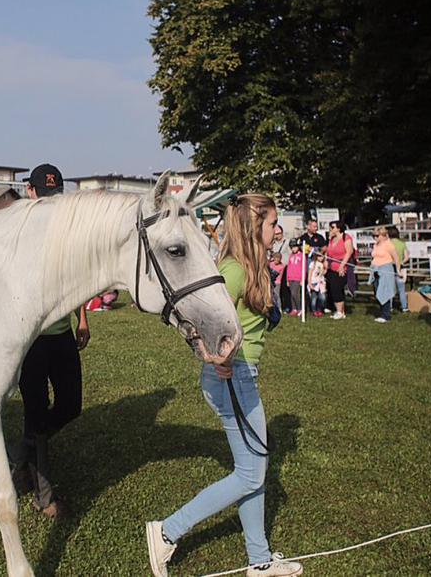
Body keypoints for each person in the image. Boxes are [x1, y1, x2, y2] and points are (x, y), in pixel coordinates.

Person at [146, 194, 303, 577]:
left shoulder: (254, 266)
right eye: (271, 224)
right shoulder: (233, 271)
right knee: (251, 472)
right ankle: (167, 531)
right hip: (233, 378)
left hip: (243, 377)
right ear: (254, 229)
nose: (277, 230)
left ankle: (259, 560)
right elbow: (201, 319)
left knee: (253, 468)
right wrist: (218, 361)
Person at [11, 163, 91, 519]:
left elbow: (75, 280)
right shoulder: (17, 233)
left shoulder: (65, 234)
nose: (49, 202)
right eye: (44, 195)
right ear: (30, 192)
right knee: (37, 410)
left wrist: (83, 318)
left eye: (54, 196)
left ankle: (25, 453)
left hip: (61, 337)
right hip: (30, 340)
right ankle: (44, 497)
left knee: (70, 406)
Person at [369, 226, 400, 323]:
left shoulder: (388, 244)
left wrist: (398, 270)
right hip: (376, 270)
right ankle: (382, 312)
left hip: (385, 270)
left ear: (383, 235)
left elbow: (396, 257)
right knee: (377, 291)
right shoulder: (376, 245)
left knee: (384, 291)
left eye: (377, 236)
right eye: (373, 235)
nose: (375, 237)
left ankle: (385, 315)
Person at [325, 220, 354, 320]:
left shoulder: (346, 238)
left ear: (338, 228)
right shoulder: (332, 239)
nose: (331, 229)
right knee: (333, 289)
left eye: (332, 227)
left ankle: (339, 311)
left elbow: (349, 252)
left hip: (342, 267)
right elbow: (328, 254)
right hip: (331, 268)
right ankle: (340, 310)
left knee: (337, 289)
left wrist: (342, 266)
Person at [387, 225, 409, 312]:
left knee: (390, 288)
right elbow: (407, 257)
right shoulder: (402, 243)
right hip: (400, 267)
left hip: (390, 266)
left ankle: (390, 306)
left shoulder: (388, 244)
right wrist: (401, 262)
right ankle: (404, 307)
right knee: (401, 289)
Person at [284, 239, 305, 316]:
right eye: (292, 247)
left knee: (295, 293)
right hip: (290, 278)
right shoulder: (290, 256)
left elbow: (304, 268)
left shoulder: (301, 255)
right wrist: (287, 279)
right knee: (291, 294)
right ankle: (294, 309)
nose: (293, 249)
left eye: (295, 247)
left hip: (298, 278)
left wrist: (303, 279)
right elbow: (288, 267)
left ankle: (300, 308)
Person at [308, 252, 327, 317]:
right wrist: (309, 283)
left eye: (322, 256)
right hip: (314, 283)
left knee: (322, 298)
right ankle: (314, 311)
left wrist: (325, 267)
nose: (320, 258)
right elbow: (310, 273)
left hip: (321, 283)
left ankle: (319, 310)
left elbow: (323, 273)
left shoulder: (322, 264)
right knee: (314, 298)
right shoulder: (312, 263)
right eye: (319, 256)